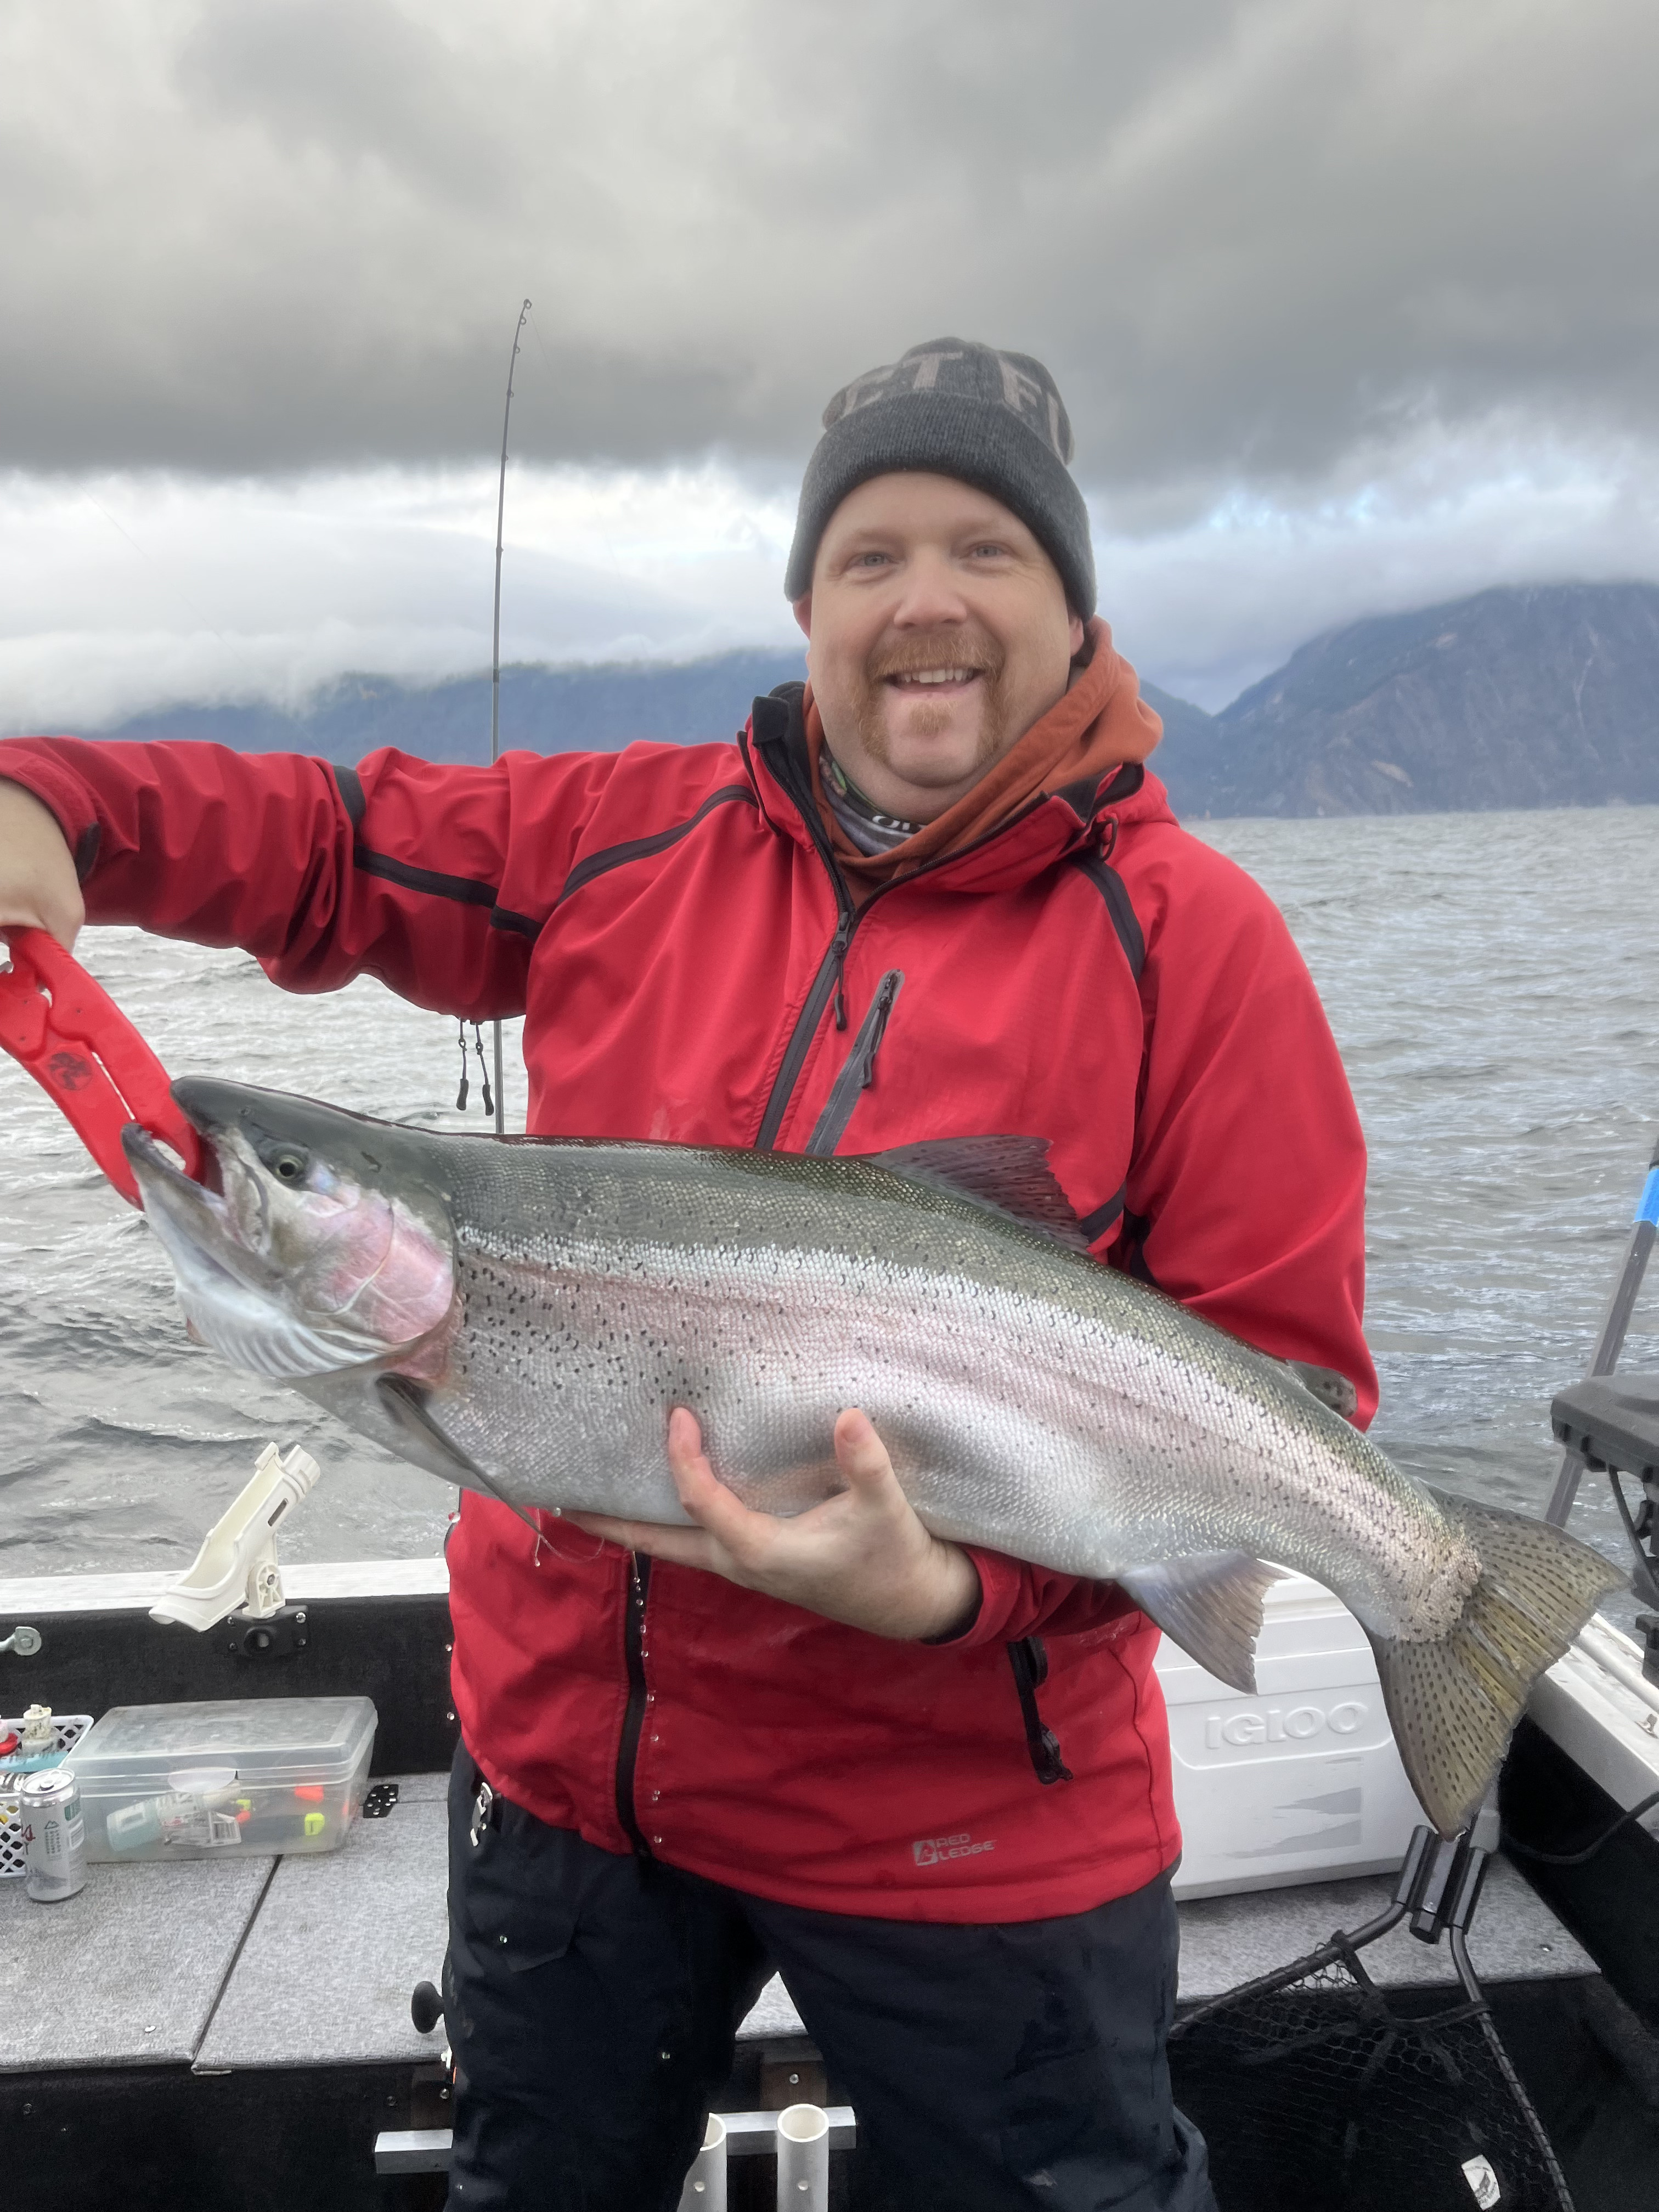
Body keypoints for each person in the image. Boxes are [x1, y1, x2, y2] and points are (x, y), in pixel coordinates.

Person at [0, 338, 1374, 2211]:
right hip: (574, 1788)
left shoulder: (1196, 947)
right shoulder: (622, 838)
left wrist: (953, 1597)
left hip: (974, 1835)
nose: (927, 603)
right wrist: (58, 805)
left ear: (1072, 603)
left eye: (987, 550)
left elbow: (1285, 1392)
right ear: (808, 603)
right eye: (872, 554)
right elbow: (329, 846)